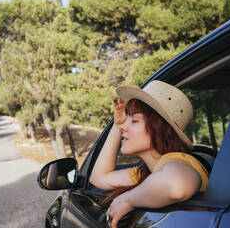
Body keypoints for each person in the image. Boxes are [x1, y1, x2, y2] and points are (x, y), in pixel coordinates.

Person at [89, 80, 209, 228]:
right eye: (126, 120)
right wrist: (116, 124)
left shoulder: (177, 160)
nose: (123, 127)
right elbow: (98, 179)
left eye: (134, 120)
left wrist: (128, 200)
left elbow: (177, 184)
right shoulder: (148, 173)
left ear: (159, 128)